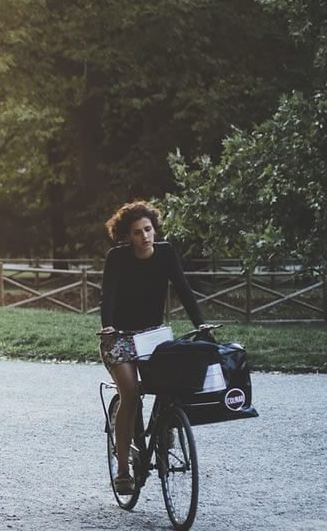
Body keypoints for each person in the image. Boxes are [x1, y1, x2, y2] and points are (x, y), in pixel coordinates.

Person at [99, 200, 205, 496]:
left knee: (173, 381)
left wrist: (201, 325)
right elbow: (108, 296)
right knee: (131, 393)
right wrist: (108, 326)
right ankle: (122, 471)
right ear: (127, 236)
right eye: (137, 232)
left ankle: (165, 425)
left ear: (154, 229)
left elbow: (183, 289)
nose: (145, 236)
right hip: (119, 337)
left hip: (152, 336)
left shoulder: (167, 253)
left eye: (148, 229)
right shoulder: (117, 258)